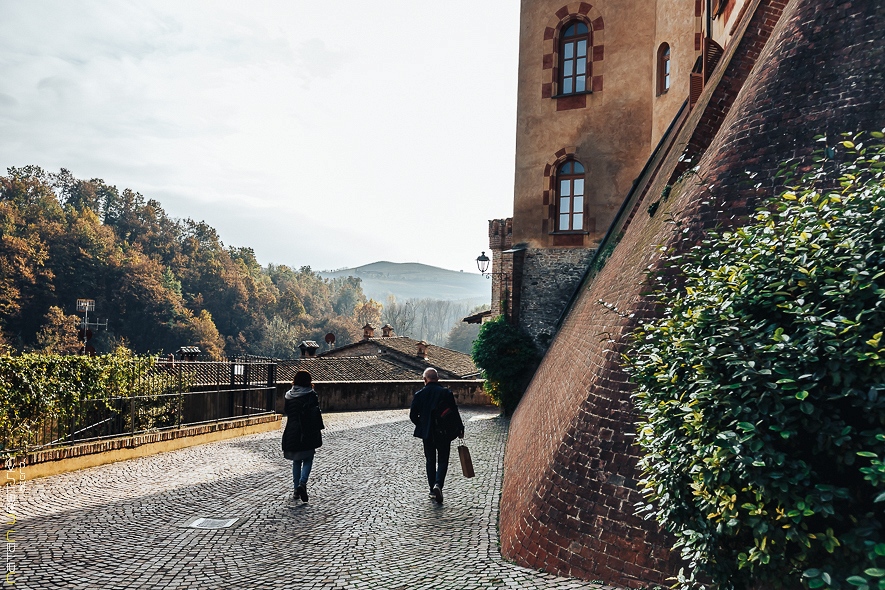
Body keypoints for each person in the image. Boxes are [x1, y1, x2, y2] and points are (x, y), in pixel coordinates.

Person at [410, 367, 464, 504]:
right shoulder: (446, 393)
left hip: (427, 433)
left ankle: (431, 490)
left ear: (425, 380)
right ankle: (438, 484)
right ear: (437, 379)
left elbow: (412, 416)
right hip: (444, 432)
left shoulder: (419, 395)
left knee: (430, 461)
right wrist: (460, 428)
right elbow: (454, 412)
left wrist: (422, 424)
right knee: (443, 460)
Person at [282, 370, 324, 503]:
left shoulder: (288, 396)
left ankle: (296, 490)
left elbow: (287, 412)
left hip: (292, 430)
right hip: (307, 431)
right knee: (308, 458)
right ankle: (302, 483)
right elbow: (315, 413)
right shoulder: (311, 395)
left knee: (296, 460)